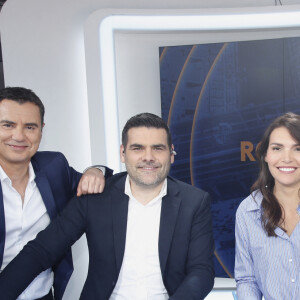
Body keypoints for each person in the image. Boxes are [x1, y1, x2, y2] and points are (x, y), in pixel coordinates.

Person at [0, 112, 214, 300]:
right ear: (123, 153)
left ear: (171, 153)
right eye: (137, 148)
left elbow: (201, 272)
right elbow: (42, 251)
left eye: (158, 148)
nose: (148, 157)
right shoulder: (95, 196)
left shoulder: (194, 202)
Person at [0, 87, 113, 300]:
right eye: (8, 125)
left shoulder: (54, 166)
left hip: (44, 295)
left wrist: (96, 170)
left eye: (30, 127)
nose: (19, 136)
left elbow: (96, 183)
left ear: (41, 130)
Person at [235, 112, 300, 300]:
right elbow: (247, 279)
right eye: (277, 148)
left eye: (297, 149)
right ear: (265, 155)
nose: (287, 158)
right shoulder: (248, 212)